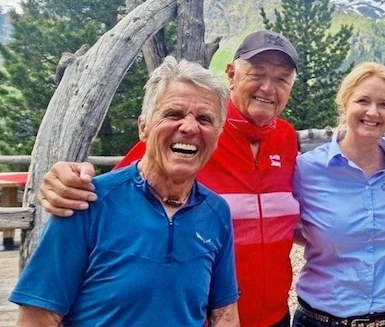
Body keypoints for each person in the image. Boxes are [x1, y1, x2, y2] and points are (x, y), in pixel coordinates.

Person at [38, 30, 301, 326]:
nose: (268, 88)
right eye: (257, 74)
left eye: (281, 79)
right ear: (232, 74)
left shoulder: (286, 138)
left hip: (277, 317)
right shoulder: (196, 131)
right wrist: (63, 183)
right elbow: (125, 188)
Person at [10, 57, 239, 326]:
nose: (189, 127)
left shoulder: (216, 212)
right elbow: (40, 315)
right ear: (144, 127)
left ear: (217, 135)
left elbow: (224, 314)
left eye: (204, 119)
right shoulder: (87, 200)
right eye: (173, 114)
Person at [292, 62, 385, 327]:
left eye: (384, 104)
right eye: (363, 100)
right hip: (322, 320)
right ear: (345, 103)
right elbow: (285, 225)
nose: (373, 112)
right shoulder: (307, 169)